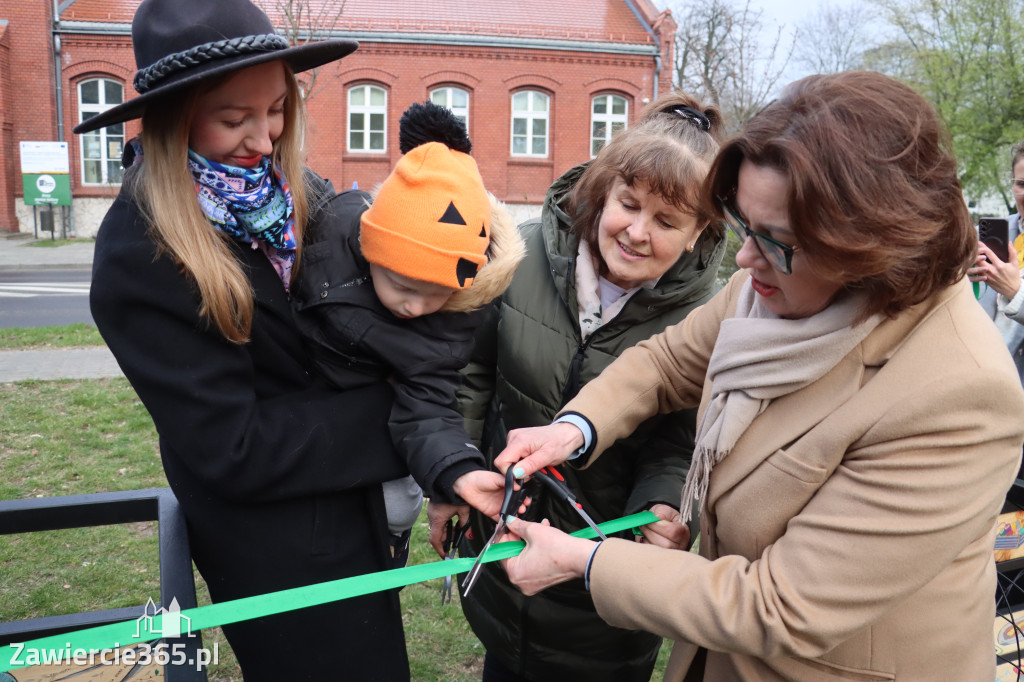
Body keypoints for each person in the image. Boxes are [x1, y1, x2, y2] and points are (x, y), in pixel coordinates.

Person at [491, 71, 1024, 681]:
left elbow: (782, 607)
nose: (743, 259)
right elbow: (667, 363)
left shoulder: (960, 395)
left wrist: (585, 562)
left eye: (776, 241)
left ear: (868, 248)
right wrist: (573, 430)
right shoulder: (764, 289)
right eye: (745, 225)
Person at [77, 0, 508, 679]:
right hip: (275, 550)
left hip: (351, 508)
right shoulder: (142, 254)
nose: (263, 136)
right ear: (174, 116)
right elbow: (232, 447)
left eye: (276, 109)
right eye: (234, 118)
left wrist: (440, 448)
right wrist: (406, 415)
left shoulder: (290, 191)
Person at [443, 92, 727, 682]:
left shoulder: (708, 322)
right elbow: (472, 376)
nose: (638, 232)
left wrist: (663, 507)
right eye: (629, 203)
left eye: (667, 221)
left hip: (600, 598)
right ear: (603, 189)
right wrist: (453, 475)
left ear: (698, 232)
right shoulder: (520, 258)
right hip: (502, 553)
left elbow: (684, 445)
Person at [290, 100, 525, 567]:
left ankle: (390, 547)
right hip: (286, 424)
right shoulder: (326, 231)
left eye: (437, 293)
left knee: (395, 509)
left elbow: (430, 408)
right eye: (401, 286)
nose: (416, 306)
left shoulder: (445, 328)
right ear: (371, 250)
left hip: (357, 446)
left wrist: (457, 471)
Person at [969, 140, 1024, 384]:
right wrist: (961, 277)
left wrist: (1015, 292)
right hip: (980, 374)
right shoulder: (992, 234)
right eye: (1022, 184)